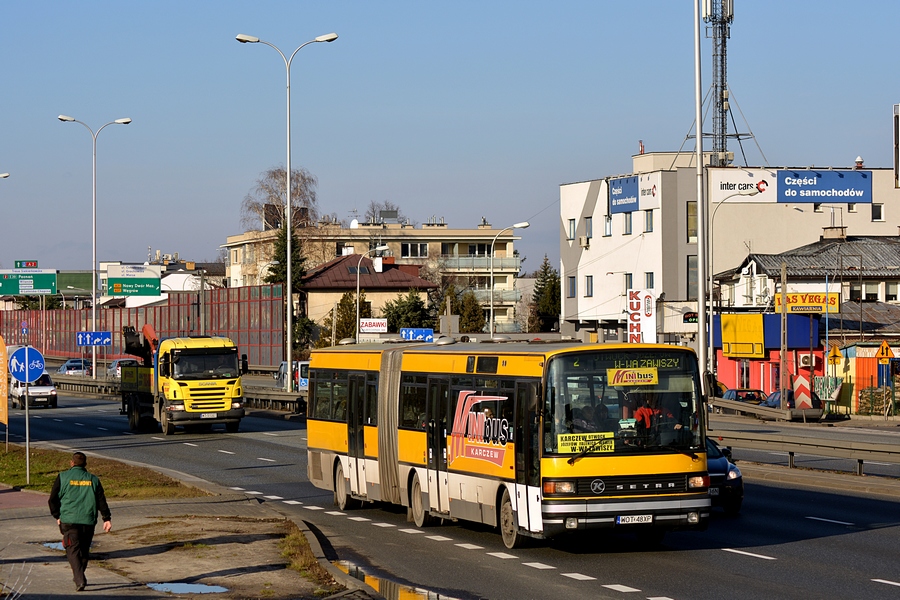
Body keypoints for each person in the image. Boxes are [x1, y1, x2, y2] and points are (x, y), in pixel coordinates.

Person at [48, 451, 112, 592]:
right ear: (85, 465)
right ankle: (79, 576)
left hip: (69, 520)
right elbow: (101, 500)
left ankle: (79, 579)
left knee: (73, 550)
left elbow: (52, 499)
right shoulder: (93, 480)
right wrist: (106, 518)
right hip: (88, 521)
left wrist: (57, 515)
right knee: (83, 551)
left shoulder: (63, 477)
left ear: (72, 463)